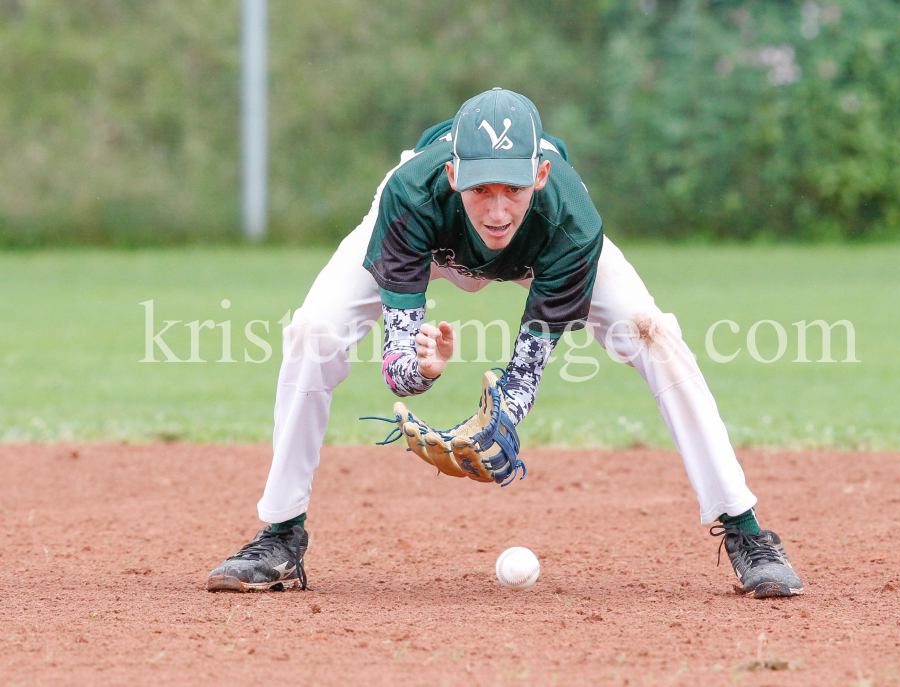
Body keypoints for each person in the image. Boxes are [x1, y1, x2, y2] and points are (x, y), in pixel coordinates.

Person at [206, 88, 803, 599]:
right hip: (431, 241)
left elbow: (526, 371)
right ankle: (280, 534)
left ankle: (744, 527)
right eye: (480, 189)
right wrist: (420, 372)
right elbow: (399, 367)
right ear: (451, 175)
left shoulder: (570, 220)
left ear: (539, 176)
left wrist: (505, 419)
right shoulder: (411, 197)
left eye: (513, 188)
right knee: (311, 332)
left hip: (538, 250)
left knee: (656, 334)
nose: (496, 211)